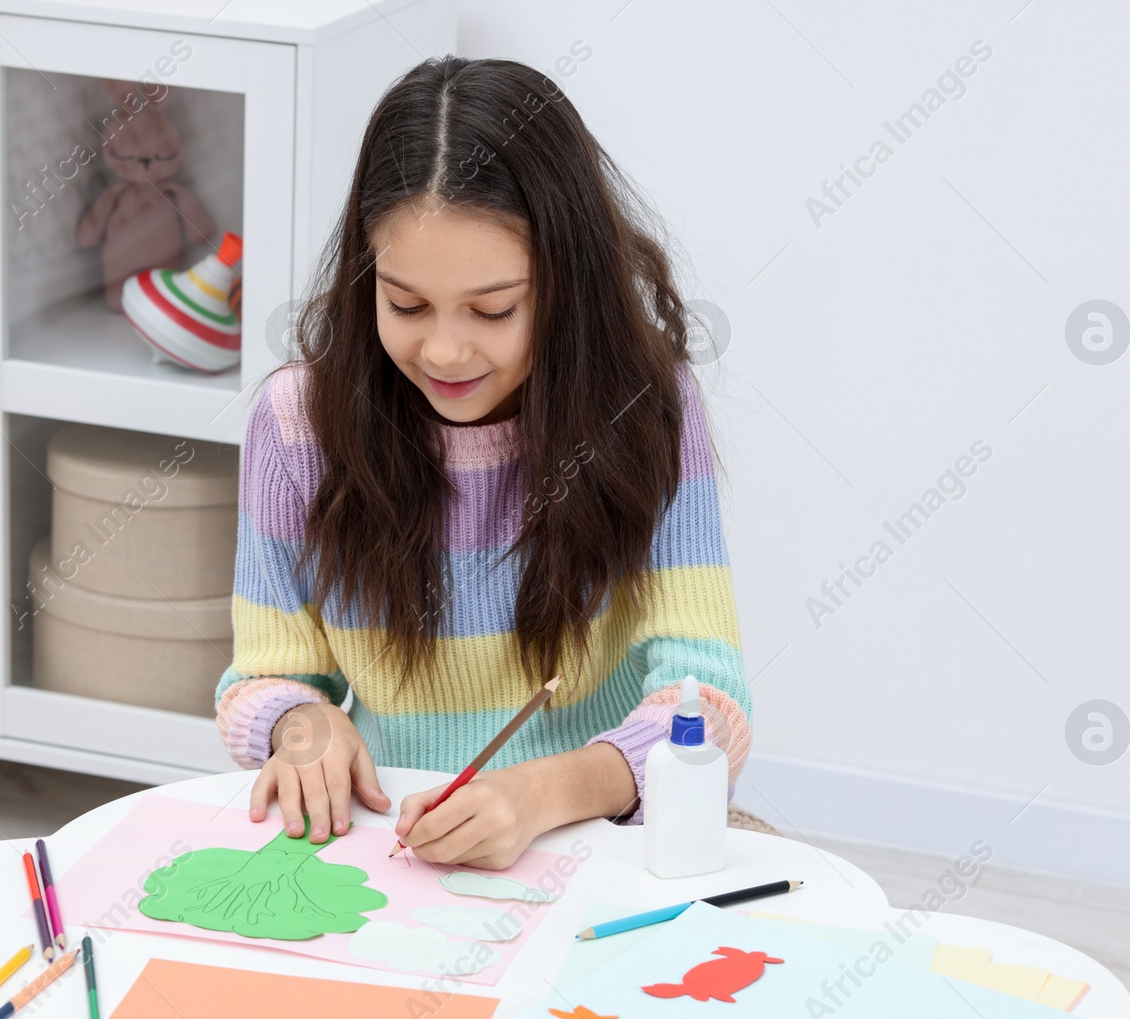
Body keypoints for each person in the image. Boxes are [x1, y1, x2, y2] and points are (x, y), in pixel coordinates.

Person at [216, 55, 751, 869]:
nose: (444, 349)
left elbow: (706, 708)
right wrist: (303, 726)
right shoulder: (300, 427)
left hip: (596, 848)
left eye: (494, 309)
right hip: (396, 847)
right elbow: (263, 679)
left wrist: (541, 793)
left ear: (568, 284)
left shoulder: (651, 410)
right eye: (405, 303)